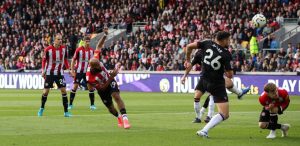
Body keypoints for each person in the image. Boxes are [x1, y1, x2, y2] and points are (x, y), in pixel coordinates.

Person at [184, 31, 233, 138]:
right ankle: (204, 130)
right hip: (216, 83)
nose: (229, 41)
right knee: (224, 114)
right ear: (223, 40)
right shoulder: (226, 54)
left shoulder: (207, 43)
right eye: (228, 40)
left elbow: (189, 46)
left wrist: (187, 59)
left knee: (203, 98)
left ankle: (203, 123)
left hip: (204, 80)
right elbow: (230, 74)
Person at [181, 48, 250, 124]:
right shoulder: (199, 54)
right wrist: (184, 76)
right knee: (197, 96)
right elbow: (190, 65)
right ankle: (198, 117)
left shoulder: (215, 52)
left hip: (215, 77)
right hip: (204, 77)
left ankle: (209, 116)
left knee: (219, 89)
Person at [85, 38, 131, 129]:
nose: (100, 66)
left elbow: (98, 46)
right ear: (93, 68)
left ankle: (125, 119)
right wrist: (111, 77)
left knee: (116, 96)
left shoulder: (95, 59)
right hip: (103, 88)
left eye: (99, 64)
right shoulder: (90, 78)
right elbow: (102, 88)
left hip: (110, 81)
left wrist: (105, 35)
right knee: (110, 108)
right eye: (98, 66)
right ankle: (119, 117)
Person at [68, 28, 109, 110]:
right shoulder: (79, 50)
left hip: (88, 72)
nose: (88, 42)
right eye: (86, 41)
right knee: (75, 87)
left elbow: (94, 61)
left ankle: (92, 105)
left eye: (89, 41)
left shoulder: (91, 51)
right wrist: (72, 71)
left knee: (90, 88)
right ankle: (70, 104)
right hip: (79, 71)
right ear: (83, 42)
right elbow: (73, 60)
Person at [38, 33, 71, 117]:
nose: (60, 41)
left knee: (64, 91)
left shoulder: (64, 49)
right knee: (46, 92)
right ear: (54, 40)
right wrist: (43, 70)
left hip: (60, 73)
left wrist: (69, 69)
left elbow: (66, 60)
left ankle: (66, 112)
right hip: (50, 73)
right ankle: (41, 108)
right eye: (58, 39)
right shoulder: (48, 49)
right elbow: (44, 61)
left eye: (61, 39)